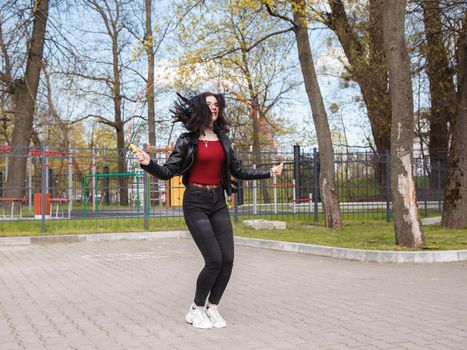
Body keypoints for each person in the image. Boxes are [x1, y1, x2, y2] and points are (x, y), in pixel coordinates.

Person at [132, 92, 283, 329]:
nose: (213, 107)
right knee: (214, 259)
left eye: (216, 104)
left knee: (228, 260)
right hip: (195, 202)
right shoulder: (186, 140)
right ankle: (196, 309)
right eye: (208, 104)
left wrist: (269, 172)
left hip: (218, 201)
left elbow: (239, 171)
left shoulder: (224, 140)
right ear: (200, 108)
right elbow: (168, 172)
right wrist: (147, 163)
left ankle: (213, 307)